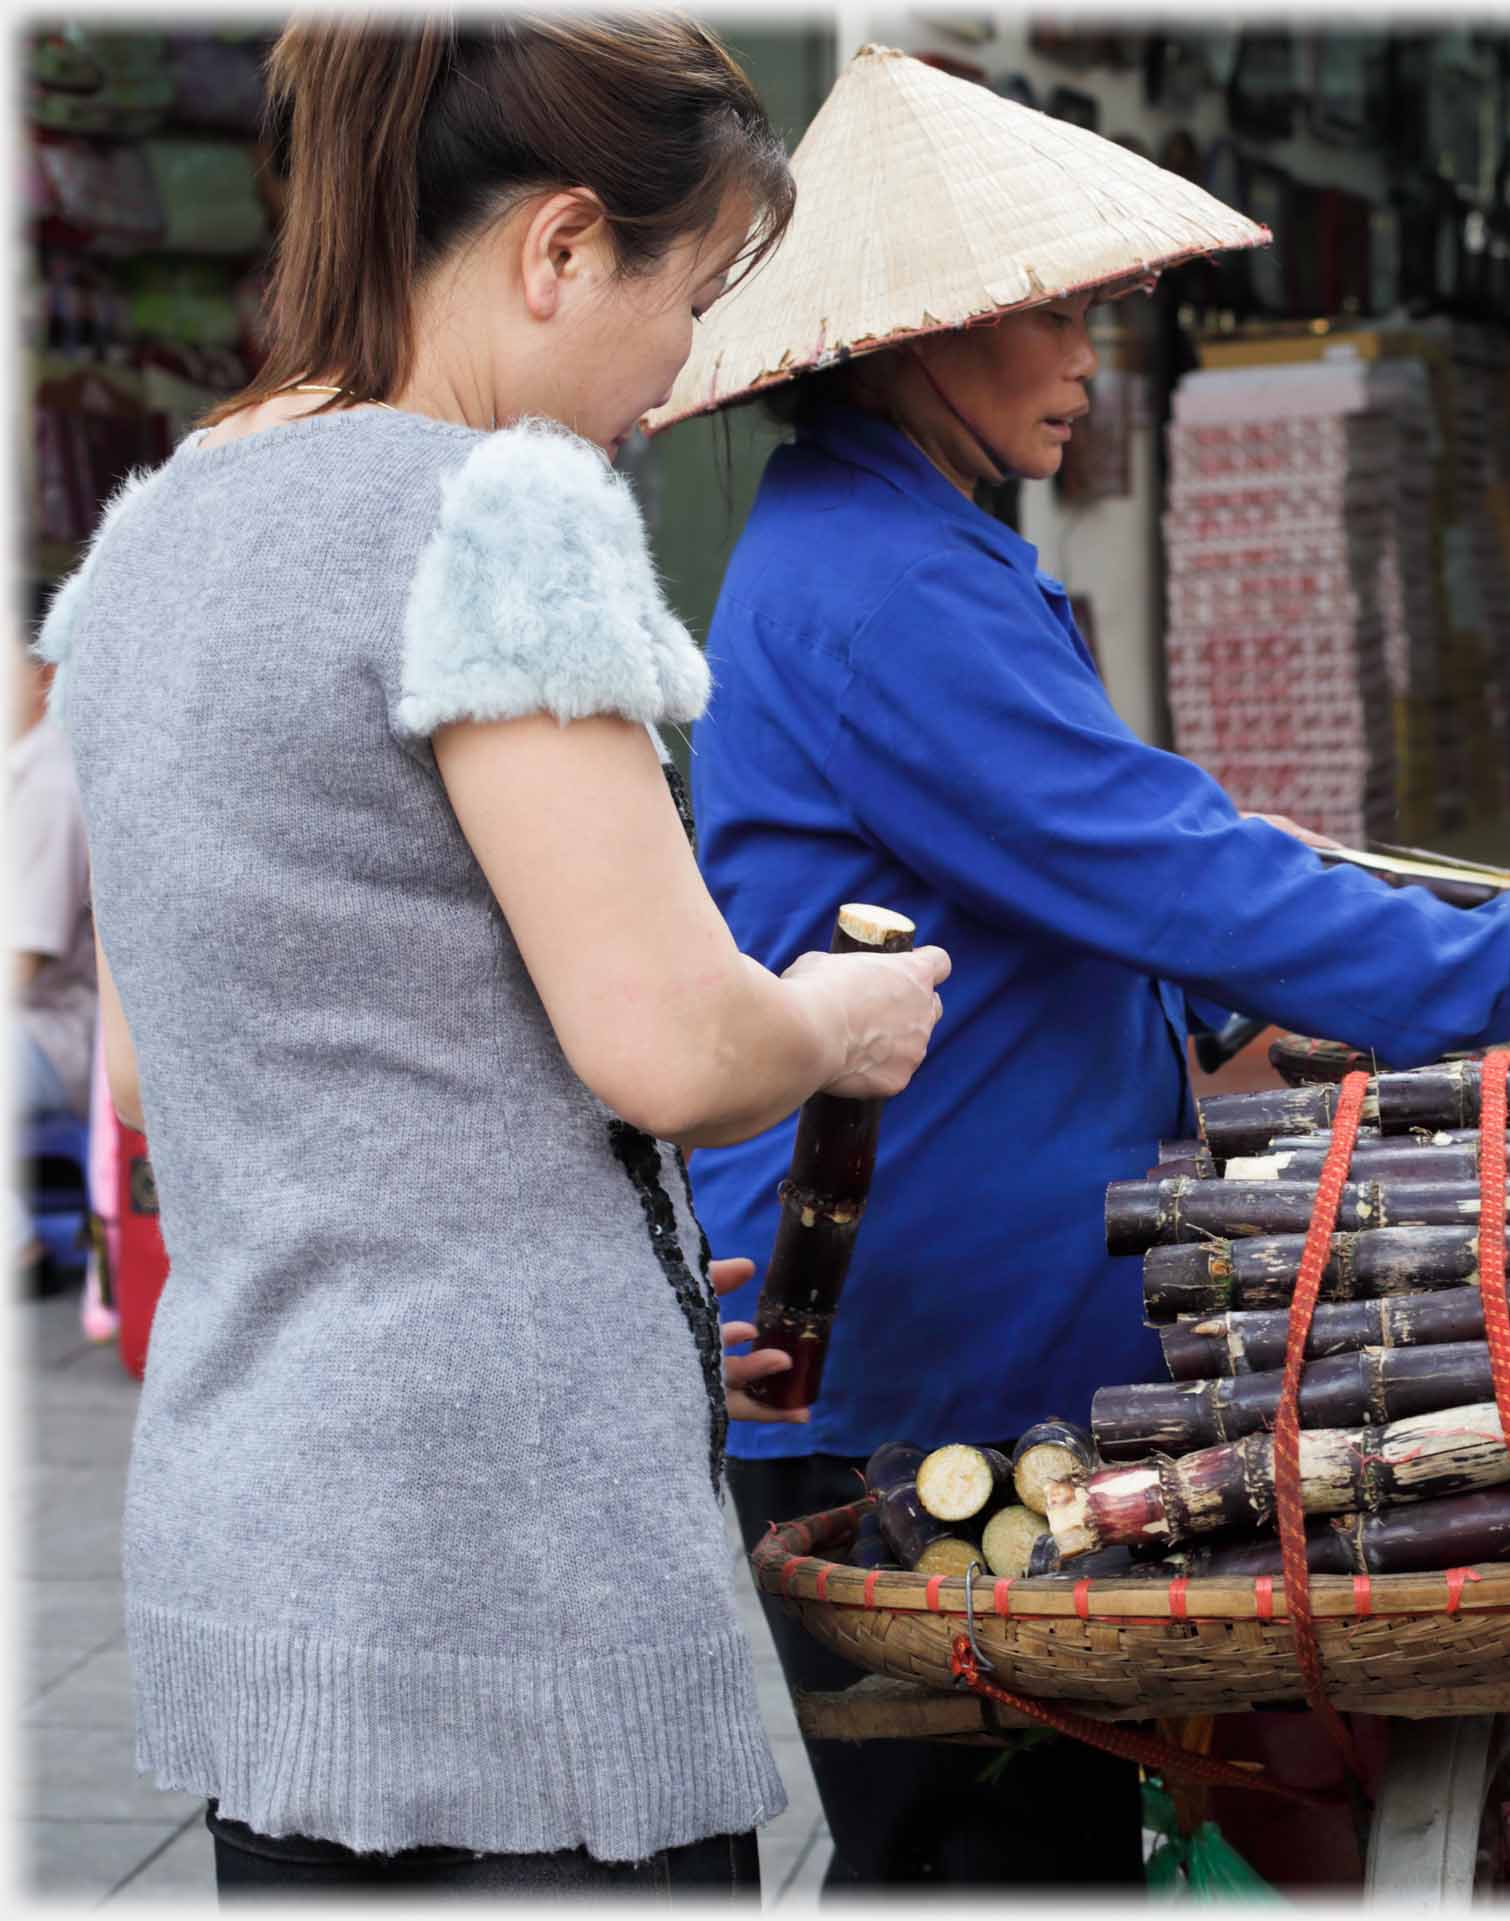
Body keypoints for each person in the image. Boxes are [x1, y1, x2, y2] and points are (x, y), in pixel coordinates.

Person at [647, 47, 1510, 1890]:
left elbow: (1103, 907)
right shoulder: (884, 582)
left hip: (986, 1300)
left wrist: (1241, 1010)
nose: (1094, 355)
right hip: (924, 1325)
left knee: (1043, 1831)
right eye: (1056, 316)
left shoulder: (916, 541)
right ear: (929, 332)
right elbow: (1181, 874)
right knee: (984, 1853)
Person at [35, 17, 949, 1900]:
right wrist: (833, 1020)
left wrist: (657, 1322)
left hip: (253, 1523)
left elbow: (149, 1074)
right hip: (512, 1558)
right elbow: (670, 1050)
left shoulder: (149, 536)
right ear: (556, 249)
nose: (681, 372)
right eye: (691, 294)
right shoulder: (501, 515)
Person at [10, 623, 97, 1279]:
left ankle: (17, 1247)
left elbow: (25, 958)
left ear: (41, 675)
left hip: (56, 1029)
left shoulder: (47, 780)